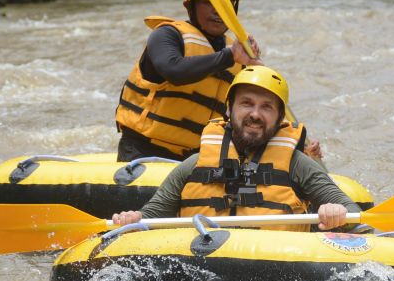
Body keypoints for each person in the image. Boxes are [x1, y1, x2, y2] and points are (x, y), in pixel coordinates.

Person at [112, 66, 357, 231]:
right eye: (246, 104)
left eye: (266, 107)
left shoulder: (298, 164)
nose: (255, 114)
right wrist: (134, 220)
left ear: (280, 117)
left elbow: (354, 216)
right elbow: (153, 215)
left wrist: (336, 213)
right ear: (229, 110)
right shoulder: (195, 164)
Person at [114, 0, 263, 161]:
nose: (218, 11)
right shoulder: (167, 35)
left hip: (195, 158)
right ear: (188, 6)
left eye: (227, 3)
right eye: (208, 2)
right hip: (143, 151)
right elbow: (174, 70)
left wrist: (297, 143)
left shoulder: (238, 56)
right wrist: (229, 57)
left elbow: (257, 113)